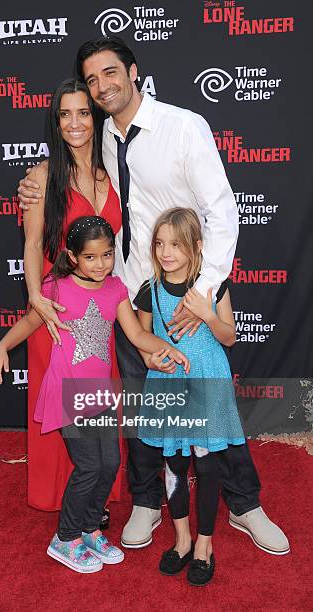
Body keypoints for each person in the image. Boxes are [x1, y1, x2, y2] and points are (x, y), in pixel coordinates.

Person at [18, 37, 289, 555]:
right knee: (145, 407)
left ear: (134, 71)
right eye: (92, 80)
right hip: (131, 296)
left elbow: (223, 211)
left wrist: (202, 293)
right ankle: (146, 501)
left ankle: (245, 505)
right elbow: (60, 175)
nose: (102, 86)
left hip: (189, 292)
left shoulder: (183, 127)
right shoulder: (97, 141)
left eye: (109, 73)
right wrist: (30, 183)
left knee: (210, 406)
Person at [0, 216, 190, 573]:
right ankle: (65, 538)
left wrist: (166, 348)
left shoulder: (115, 290)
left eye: (108, 255)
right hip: (68, 390)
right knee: (89, 466)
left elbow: (136, 335)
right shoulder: (55, 288)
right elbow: (29, 322)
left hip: (99, 394)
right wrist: (3, 346)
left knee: (111, 464)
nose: (101, 265)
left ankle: (88, 529)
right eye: (91, 257)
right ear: (73, 256)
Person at [20, 78, 123, 516]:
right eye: (65, 114)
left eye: (83, 112)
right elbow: (30, 245)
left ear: (96, 118)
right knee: (63, 403)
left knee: (96, 404)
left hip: (102, 308)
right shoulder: (43, 177)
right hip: (57, 310)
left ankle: (94, 495)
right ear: (55, 121)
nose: (75, 123)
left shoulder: (113, 169)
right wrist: (36, 302)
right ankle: (64, 501)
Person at [134, 207, 245, 586]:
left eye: (176, 245)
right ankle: (182, 539)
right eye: (160, 243)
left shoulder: (213, 285)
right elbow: (142, 343)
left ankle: (204, 545)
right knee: (174, 466)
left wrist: (208, 314)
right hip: (168, 387)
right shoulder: (149, 290)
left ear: (196, 246)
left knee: (208, 465)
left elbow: (229, 336)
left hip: (207, 382)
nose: (166, 252)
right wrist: (154, 359)